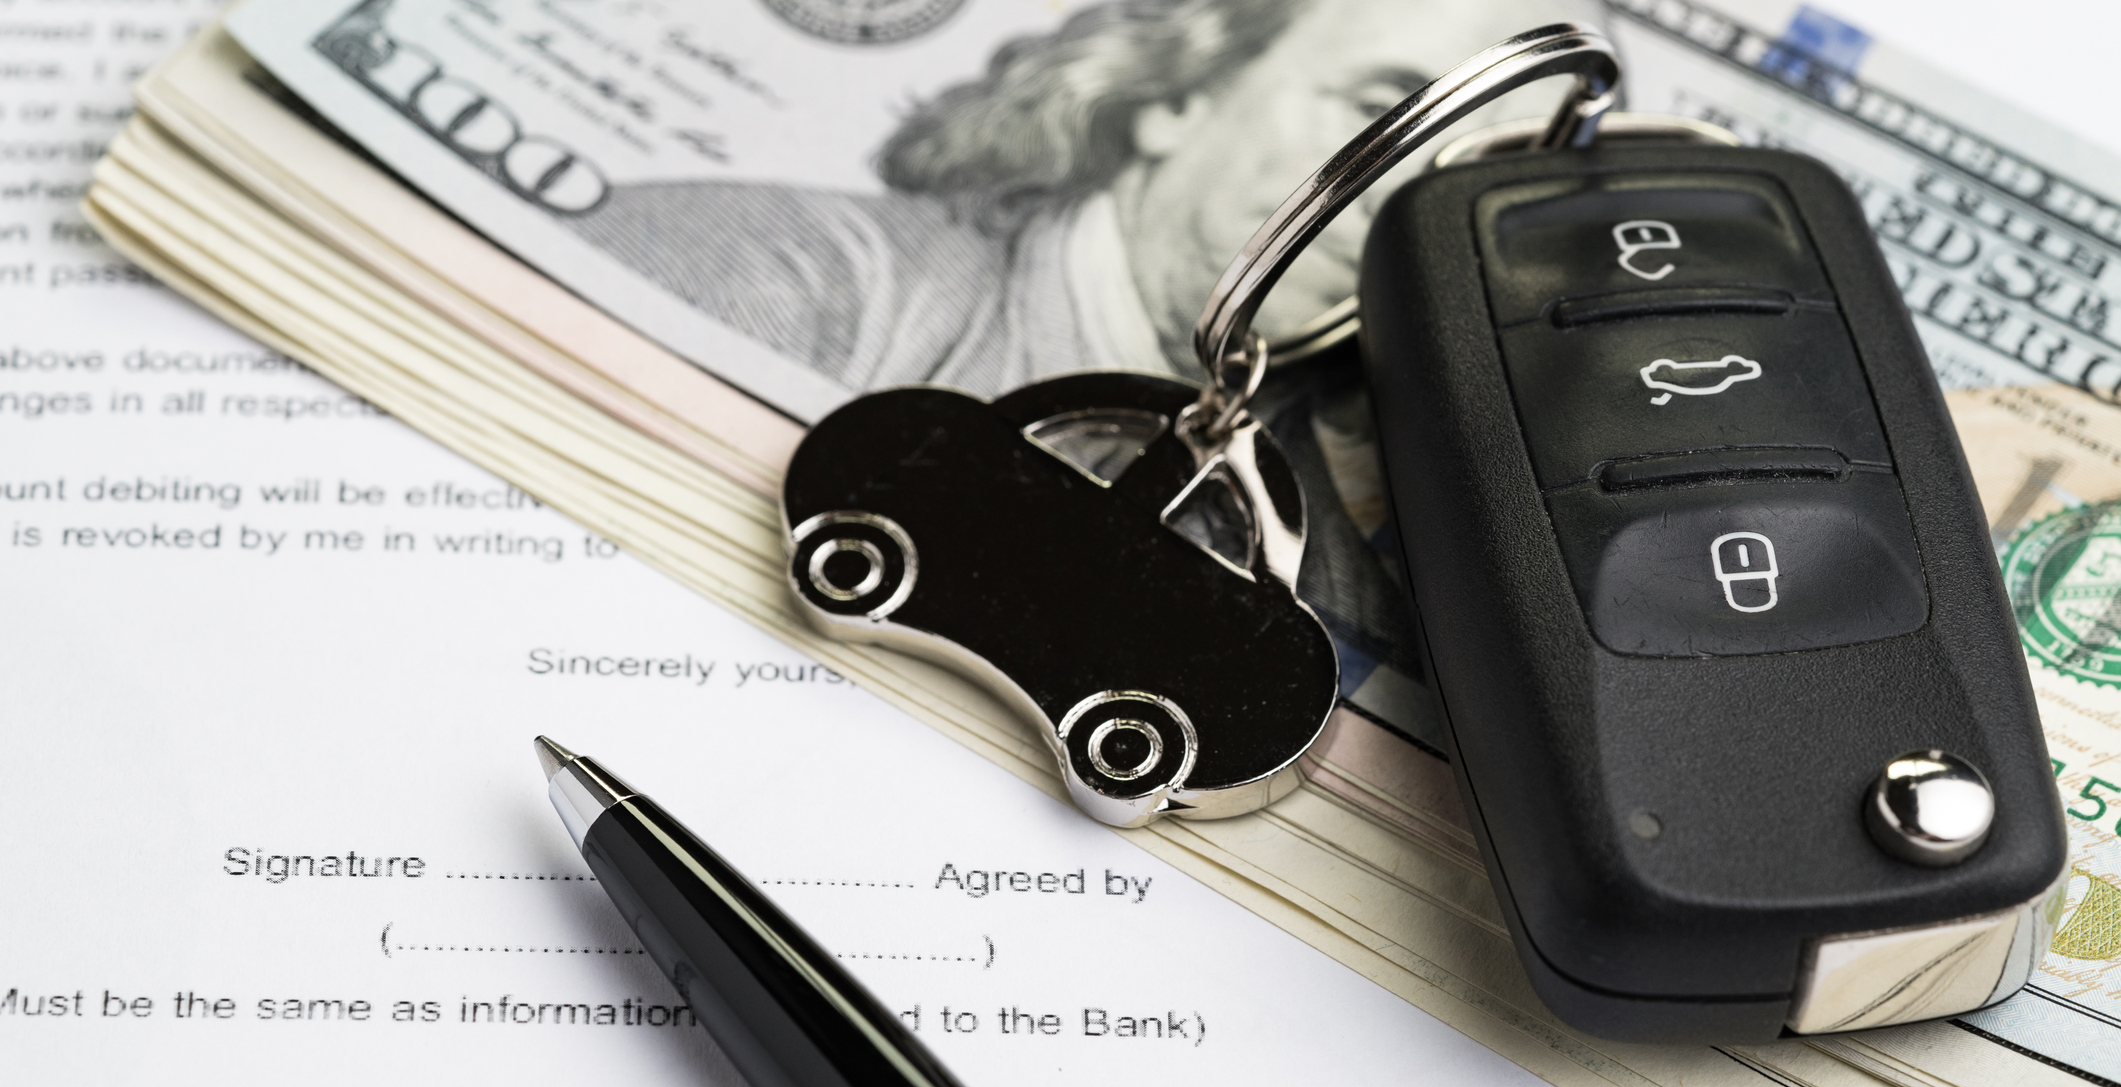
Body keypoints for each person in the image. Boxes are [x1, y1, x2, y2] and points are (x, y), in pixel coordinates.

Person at [567, 0, 1586, 744]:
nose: (1402, 194)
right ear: (1176, 97)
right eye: (1374, 108)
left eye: (1461, 170)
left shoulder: (1383, 531)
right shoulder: (772, 267)